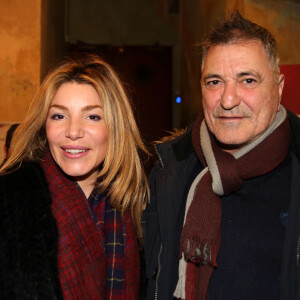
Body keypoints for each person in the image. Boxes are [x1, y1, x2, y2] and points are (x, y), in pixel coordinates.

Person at [143, 11, 300, 300]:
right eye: (214, 82)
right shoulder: (168, 168)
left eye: (248, 81)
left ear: (278, 89)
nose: (228, 100)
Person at [0, 54, 149, 300]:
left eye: (92, 116)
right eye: (59, 116)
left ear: (115, 126)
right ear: (43, 125)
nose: (73, 131)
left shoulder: (137, 206)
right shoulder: (11, 199)